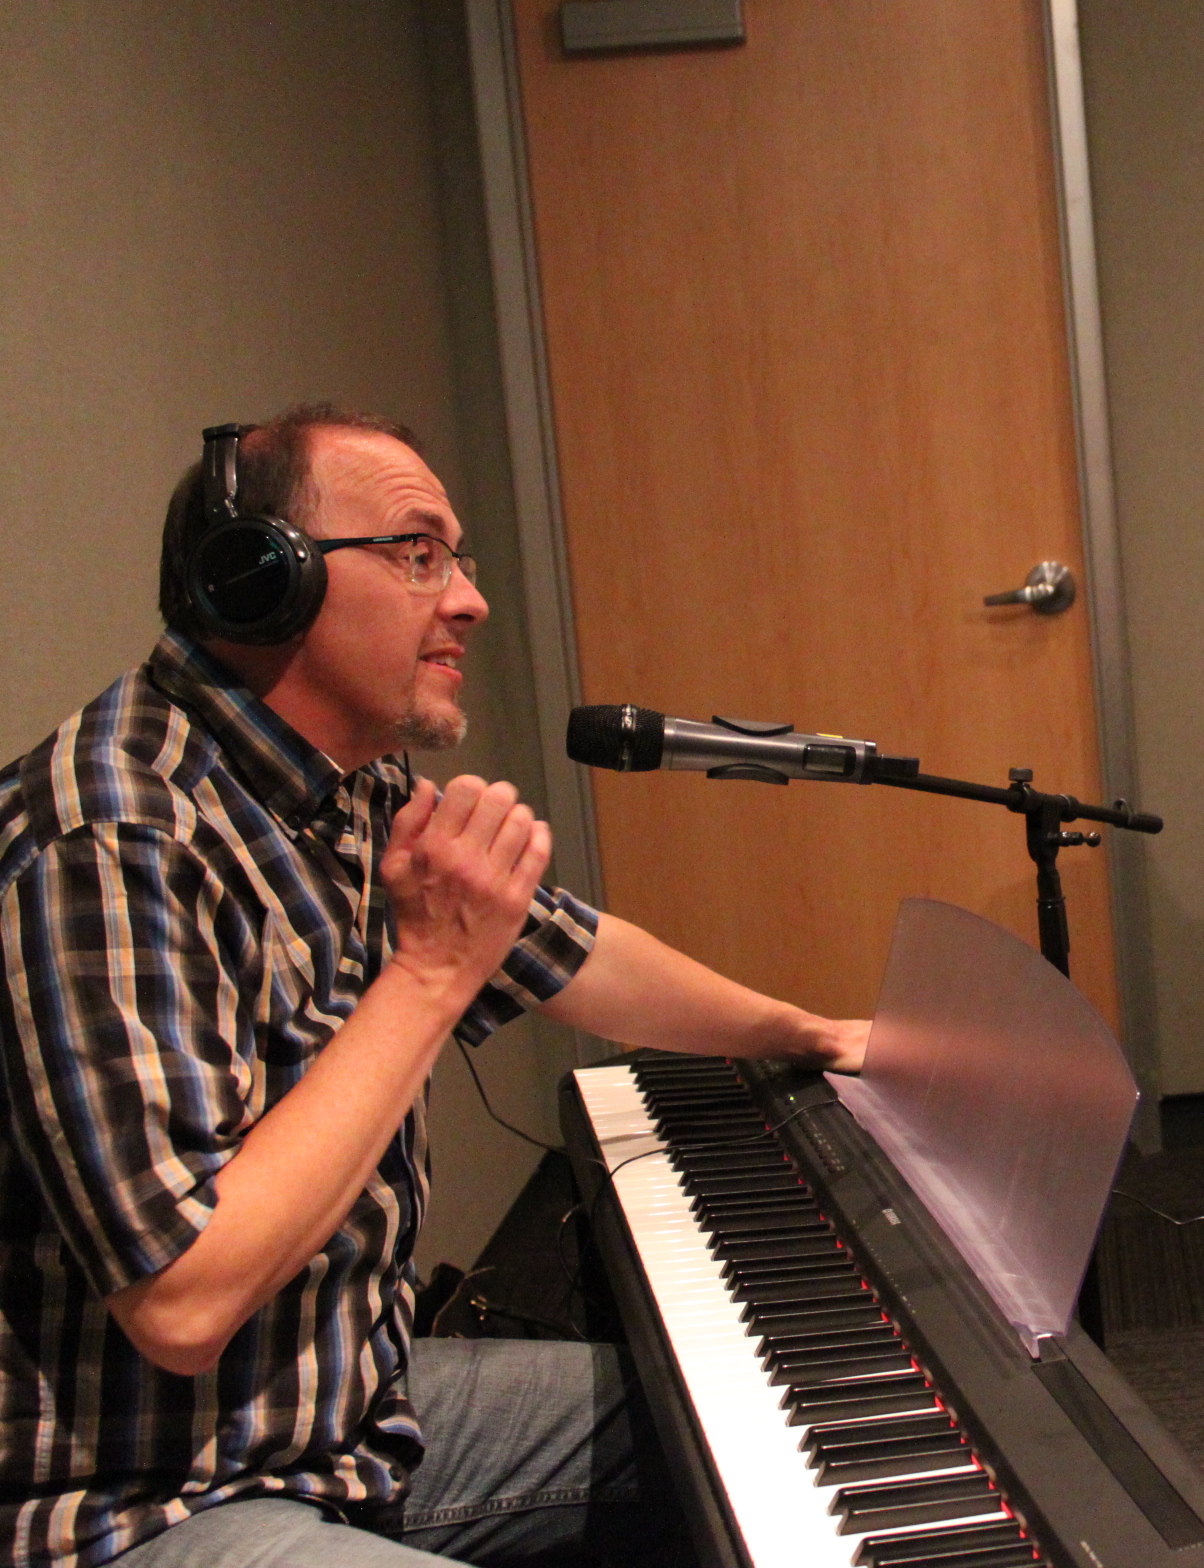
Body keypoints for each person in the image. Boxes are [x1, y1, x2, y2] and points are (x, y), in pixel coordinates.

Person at [0, 407, 868, 1568]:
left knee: (770, 1424)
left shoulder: (342, 781)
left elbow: (574, 953)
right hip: (145, 1500)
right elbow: (182, 1299)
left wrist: (811, 1029)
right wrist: (429, 968)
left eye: (458, 558)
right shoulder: (106, 838)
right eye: (419, 553)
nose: (467, 598)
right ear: (264, 581)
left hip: (340, 1415)